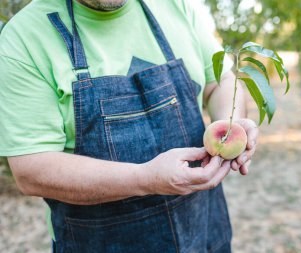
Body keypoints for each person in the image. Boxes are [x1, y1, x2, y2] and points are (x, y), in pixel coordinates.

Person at [0, 0, 259, 252]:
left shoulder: (178, 6)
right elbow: (30, 169)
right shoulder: (24, 37)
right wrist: (146, 179)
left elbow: (220, 82)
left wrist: (231, 123)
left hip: (203, 234)